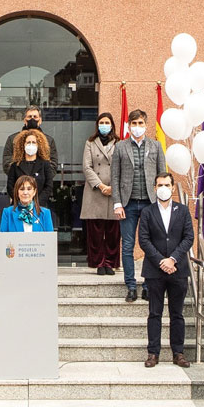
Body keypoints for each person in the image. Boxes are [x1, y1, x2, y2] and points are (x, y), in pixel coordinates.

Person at [138, 169, 194, 367]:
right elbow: (143, 240)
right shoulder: (147, 212)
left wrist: (173, 259)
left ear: (173, 188)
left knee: (177, 314)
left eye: (167, 185)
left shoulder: (183, 210)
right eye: (160, 185)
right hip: (154, 271)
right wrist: (161, 261)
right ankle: (153, 353)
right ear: (155, 188)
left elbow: (189, 237)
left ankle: (178, 352)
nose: (163, 188)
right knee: (155, 313)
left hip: (178, 270)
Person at [111, 108, 166, 303]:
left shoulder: (156, 146)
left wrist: (162, 201)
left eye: (140, 123)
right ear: (128, 125)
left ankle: (148, 285)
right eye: (133, 124)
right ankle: (131, 285)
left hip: (151, 203)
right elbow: (115, 177)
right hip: (128, 204)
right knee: (127, 245)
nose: (137, 127)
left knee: (151, 245)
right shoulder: (120, 147)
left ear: (146, 125)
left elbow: (162, 176)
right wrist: (117, 203)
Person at [81, 112, 120, 275]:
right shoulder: (90, 142)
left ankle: (110, 262)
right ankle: (98, 263)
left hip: (113, 190)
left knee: (112, 231)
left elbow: (122, 166)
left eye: (107, 122)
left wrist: (113, 186)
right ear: (97, 125)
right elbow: (87, 167)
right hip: (95, 190)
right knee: (95, 231)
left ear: (112, 125)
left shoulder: (119, 142)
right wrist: (100, 185)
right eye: (101, 122)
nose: (104, 125)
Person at [1, 106, 58, 178]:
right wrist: (23, 180)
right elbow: (7, 164)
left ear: (40, 120)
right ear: (25, 120)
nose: (32, 119)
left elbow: (53, 166)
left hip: (41, 185)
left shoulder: (49, 141)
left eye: (35, 117)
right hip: (20, 186)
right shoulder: (13, 139)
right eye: (29, 116)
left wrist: (39, 179)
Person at [5, 129, 55, 207]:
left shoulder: (45, 164)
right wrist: (22, 201)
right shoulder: (15, 165)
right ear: (23, 145)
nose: (31, 145)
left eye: (34, 142)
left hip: (39, 207)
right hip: (19, 207)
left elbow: (48, 186)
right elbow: (10, 186)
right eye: (28, 142)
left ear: (38, 145)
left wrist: (36, 203)